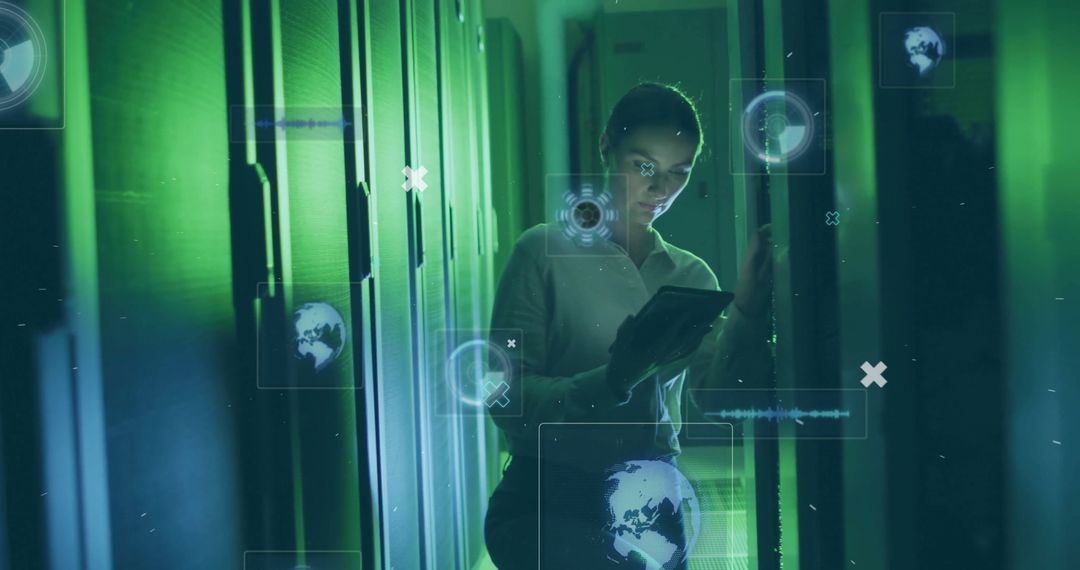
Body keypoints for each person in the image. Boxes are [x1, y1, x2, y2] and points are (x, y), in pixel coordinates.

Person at [483, 82, 773, 570]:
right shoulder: (542, 252)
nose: (660, 191)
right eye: (643, 167)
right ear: (605, 146)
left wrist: (745, 313)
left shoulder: (690, 275)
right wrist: (613, 380)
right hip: (550, 496)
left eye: (678, 173)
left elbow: (719, 397)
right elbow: (505, 400)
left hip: (653, 501)